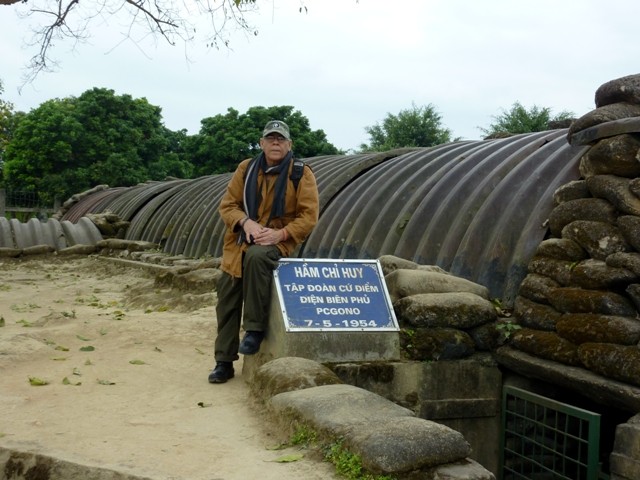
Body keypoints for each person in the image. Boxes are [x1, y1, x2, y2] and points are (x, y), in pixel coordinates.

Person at [208, 120, 320, 384]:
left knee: (258, 257)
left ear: (289, 144)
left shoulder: (301, 173)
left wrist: (280, 234)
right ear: (261, 143)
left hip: (277, 242)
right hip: (238, 244)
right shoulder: (246, 169)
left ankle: (254, 331)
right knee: (227, 293)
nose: (275, 143)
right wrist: (246, 222)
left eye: (280, 139)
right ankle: (223, 361)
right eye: (270, 139)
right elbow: (228, 206)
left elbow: (309, 216)